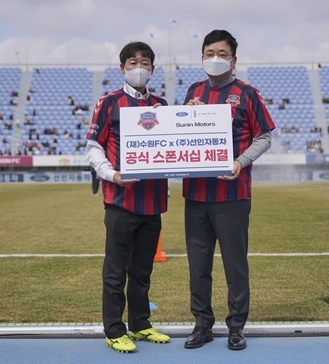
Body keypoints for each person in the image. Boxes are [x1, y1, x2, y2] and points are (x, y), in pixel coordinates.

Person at [182, 30, 275, 351]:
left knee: (235, 265)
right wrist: (186, 115)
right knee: (198, 266)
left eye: (221, 53)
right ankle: (201, 324)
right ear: (202, 57)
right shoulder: (193, 91)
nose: (215, 58)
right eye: (209, 53)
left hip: (233, 196)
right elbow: (180, 138)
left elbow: (264, 137)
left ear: (233, 60)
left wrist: (239, 161)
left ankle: (236, 326)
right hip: (195, 195)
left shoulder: (247, 93)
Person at [85, 41, 170, 353]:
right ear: (122, 68)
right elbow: (93, 147)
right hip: (121, 201)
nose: (139, 67)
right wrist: (113, 175)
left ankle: (140, 324)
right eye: (132, 62)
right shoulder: (109, 103)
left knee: (142, 271)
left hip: (153, 201)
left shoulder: (162, 105)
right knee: (115, 271)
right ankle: (113, 329)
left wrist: (180, 119)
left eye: (145, 62)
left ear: (152, 68)